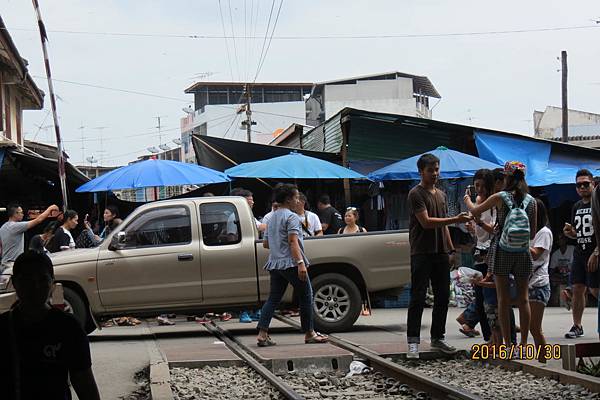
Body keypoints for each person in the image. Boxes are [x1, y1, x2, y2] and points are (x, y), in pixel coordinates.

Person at [0, 251, 101, 400]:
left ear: (52, 283)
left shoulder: (69, 328)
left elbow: (84, 382)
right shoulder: (67, 326)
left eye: (42, 279)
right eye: (27, 279)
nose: (35, 286)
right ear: (15, 283)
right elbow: (84, 383)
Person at [406, 153, 472, 359]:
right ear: (421, 172)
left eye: (437, 169)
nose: (435, 173)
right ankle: (413, 342)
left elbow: (443, 226)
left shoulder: (442, 195)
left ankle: (438, 338)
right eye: (430, 170)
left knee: (443, 296)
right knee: (418, 297)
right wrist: (455, 219)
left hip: (441, 253)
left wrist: (451, 249)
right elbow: (426, 222)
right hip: (421, 252)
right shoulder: (415, 194)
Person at [466, 161, 537, 348]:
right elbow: (533, 234)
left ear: (506, 177)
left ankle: (507, 346)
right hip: (523, 253)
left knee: (502, 300)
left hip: (502, 252)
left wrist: (467, 200)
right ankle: (523, 344)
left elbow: (474, 211)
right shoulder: (532, 201)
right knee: (523, 299)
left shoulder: (500, 197)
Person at [256, 183, 328, 346]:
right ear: (288, 200)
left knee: (273, 298)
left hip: (275, 263)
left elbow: (266, 244)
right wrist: (301, 263)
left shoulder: (271, 218)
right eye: (296, 197)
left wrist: (277, 244)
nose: (298, 200)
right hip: (291, 263)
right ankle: (309, 333)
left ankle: (262, 333)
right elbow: (293, 242)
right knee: (306, 295)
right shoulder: (291, 217)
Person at [457, 169, 495, 340]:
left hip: (491, 253)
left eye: (482, 186)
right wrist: (474, 229)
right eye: (476, 185)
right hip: (480, 252)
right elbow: (480, 233)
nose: (479, 189)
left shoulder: (493, 202)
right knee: (480, 298)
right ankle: (489, 337)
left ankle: (496, 337)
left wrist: (477, 220)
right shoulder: (479, 201)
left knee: (490, 298)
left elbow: (494, 230)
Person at [563, 169, 598, 339]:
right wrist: (571, 233)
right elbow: (580, 232)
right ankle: (577, 325)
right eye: (579, 184)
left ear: (593, 184)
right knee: (577, 288)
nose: (582, 187)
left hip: (595, 252)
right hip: (580, 252)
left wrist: (597, 251)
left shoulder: (597, 203)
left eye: (586, 184)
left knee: (595, 290)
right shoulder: (576, 206)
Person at [0, 203, 59, 271]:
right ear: (15, 214)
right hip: (12, 265)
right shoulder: (16, 226)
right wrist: (50, 208)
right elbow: (38, 220)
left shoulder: (2, 228)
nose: (23, 214)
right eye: (21, 212)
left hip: (4, 264)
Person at [528, 199, 552, 363]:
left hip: (539, 284)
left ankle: (544, 360)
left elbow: (536, 254)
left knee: (535, 327)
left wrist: (518, 240)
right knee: (532, 327)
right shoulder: (530, 231)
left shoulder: (543, 232)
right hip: (529, 283)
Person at [549, 234, 574, 309]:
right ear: (557, 242)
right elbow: (551, 271)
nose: (561, 241)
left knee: (571, 275)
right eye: (559, 239)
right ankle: (552, 301)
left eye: (562, 239)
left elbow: (575, 267)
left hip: (571, 275)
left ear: (566, 240)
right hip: (561, 276)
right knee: (550, 279)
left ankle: (568, 292)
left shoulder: (572, 249)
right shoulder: (555, 254)